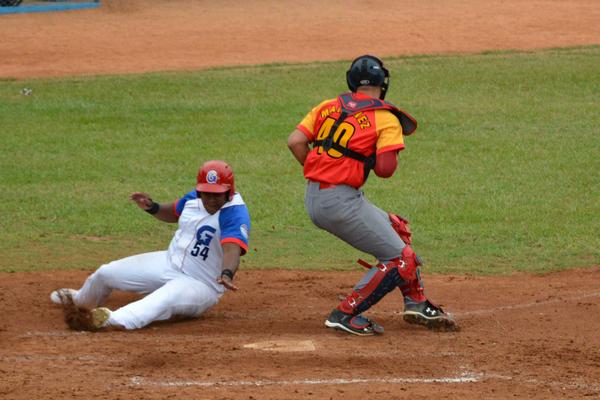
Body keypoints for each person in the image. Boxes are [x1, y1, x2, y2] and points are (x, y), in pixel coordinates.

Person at [287, 55, 457, 336]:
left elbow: (295, 141)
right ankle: (346, 313)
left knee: (396, 229)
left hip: (315, 196)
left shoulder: (327, 106)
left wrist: (321, 169)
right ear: (383, 83)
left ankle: (416, 303)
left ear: (351, 82)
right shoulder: (385, 118)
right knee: (401, 259)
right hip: (340, 203)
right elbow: (385, 170)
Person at [50, 160, 251, 331]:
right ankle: (81, 302)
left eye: (216, 194)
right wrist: (152, 207)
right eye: (206, 193)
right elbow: (173, 212)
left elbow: (232, 249)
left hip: (199, 284)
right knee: (105, 273)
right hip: (168, 263)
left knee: (161, 299)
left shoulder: (235, 213)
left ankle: (113, 320)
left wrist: (226, 274)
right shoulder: (194, 198)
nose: (211, 199)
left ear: (229, 192)